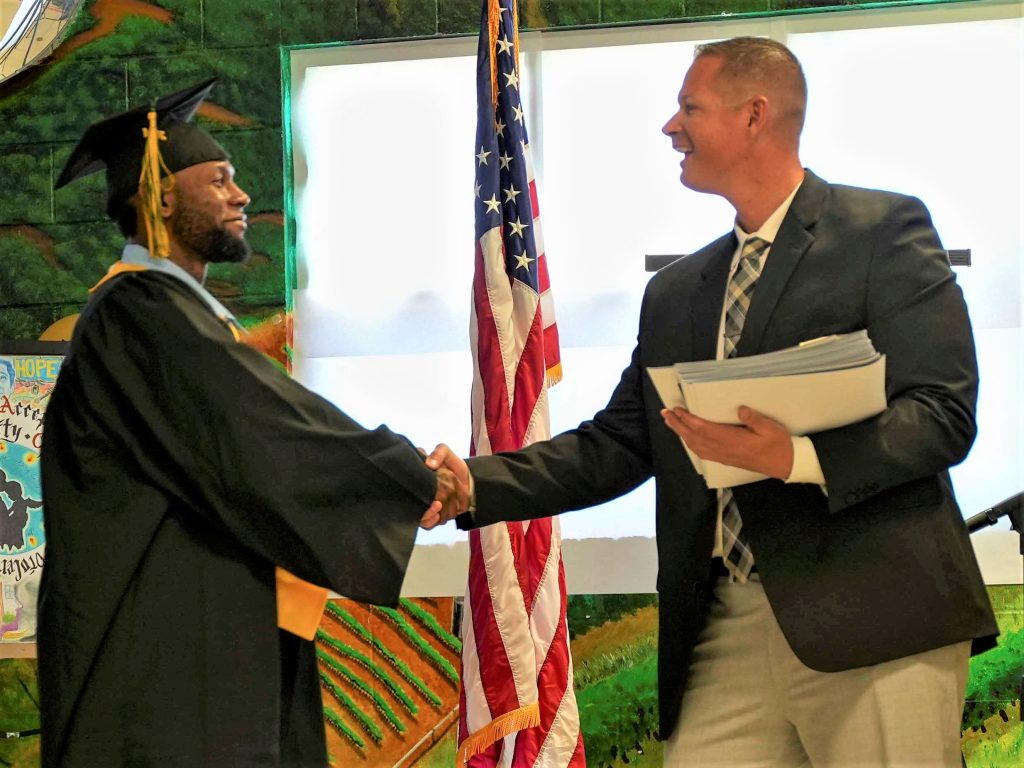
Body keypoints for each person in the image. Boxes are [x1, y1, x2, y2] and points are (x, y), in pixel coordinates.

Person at [428, 37, 997, 766]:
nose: (671, 127)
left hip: (874, 621)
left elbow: (943, 411)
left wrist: (793, 456)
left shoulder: (883, 232)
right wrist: (477, 483)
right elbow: (621, 442)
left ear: (755, 115)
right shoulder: (677, 292)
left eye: (689, 108)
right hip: (720, 625)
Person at [39, 79, 467, 768]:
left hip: (207, 638)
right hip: (161, 668)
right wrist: (399, 470)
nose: (240, 196)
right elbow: (260, 431)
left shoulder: (171, 315)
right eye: (220, 180)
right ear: (163, 196)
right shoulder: (136, 314)